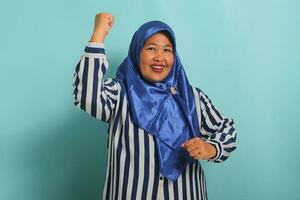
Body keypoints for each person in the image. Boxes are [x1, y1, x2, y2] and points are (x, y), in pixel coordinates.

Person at [73, 12, 237, 200]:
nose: (160, 57)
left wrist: (211, 148)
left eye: (167, 50)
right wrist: (99, 34)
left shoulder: (192, 97)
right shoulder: (119, 94)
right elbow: (86, 95)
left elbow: (227, 128)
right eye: (151, 48)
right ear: (137, 52)